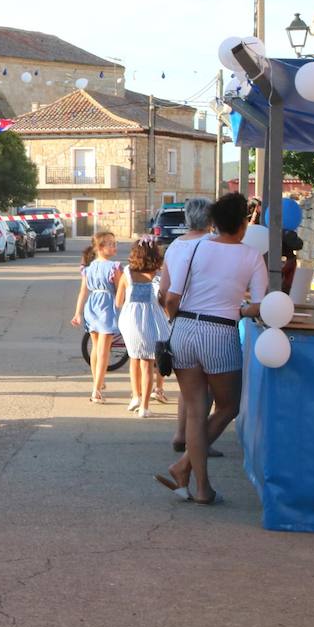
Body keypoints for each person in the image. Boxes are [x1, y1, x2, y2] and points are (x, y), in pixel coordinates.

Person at [156, 192, 267, 506]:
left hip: (185, 329)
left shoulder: (193, 248)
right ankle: (186, 470)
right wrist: (241, 310)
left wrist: (177, 324)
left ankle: (198, 483)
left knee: (194, 410)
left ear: (215, 222)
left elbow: (171, 298)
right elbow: (258, 305)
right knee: (228, 406)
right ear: (243, 225)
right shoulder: (251, 256)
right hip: (219, 331)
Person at [158, 197, 212, 439]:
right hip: (209, 320)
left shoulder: (175, 246)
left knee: (188, 386)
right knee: (206, 387)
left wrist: (171, 317)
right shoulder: (214, 244)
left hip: (179, 320)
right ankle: (197, 441)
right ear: (211, 219)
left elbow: (163, 292)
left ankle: (181, 435)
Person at [116, 240, 167, 418]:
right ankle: (144, 407)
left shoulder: (127, 273)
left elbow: (118, 301)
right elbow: (164, 302)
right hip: (150, 323)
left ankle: (135, 397)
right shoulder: (159, 276)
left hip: (129, 322)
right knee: (147, 365)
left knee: (134, 358)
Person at [72, 232, 120, 403]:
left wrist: (78, 313)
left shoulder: (88, 268)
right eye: (111, 244)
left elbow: (83, 292)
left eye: (115, 243)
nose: (115, 247)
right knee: (104, 351)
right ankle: (97, 390)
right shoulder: (114, 267)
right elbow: (120, 291)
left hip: (92, 306)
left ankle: (97, 382)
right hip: (107, 306)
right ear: (100, 248)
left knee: (96, 347)